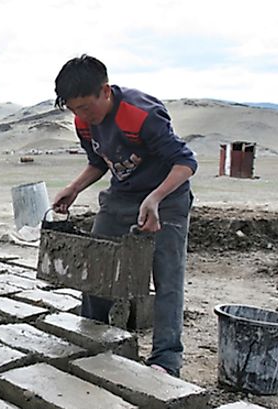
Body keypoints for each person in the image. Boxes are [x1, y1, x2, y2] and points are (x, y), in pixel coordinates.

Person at [51, 54, 197, 377]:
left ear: (105, 91)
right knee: (96, 264)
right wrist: (74, 188)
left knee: (166, 276)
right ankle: (93, 336)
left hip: (167, 197)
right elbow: (101, 161)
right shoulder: (83, 121)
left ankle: (166, 359)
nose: (81, 116)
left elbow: (186, 163)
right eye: (74, 110)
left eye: (86, 108)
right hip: (122, 196)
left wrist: (156, 198)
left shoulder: (141, 114)